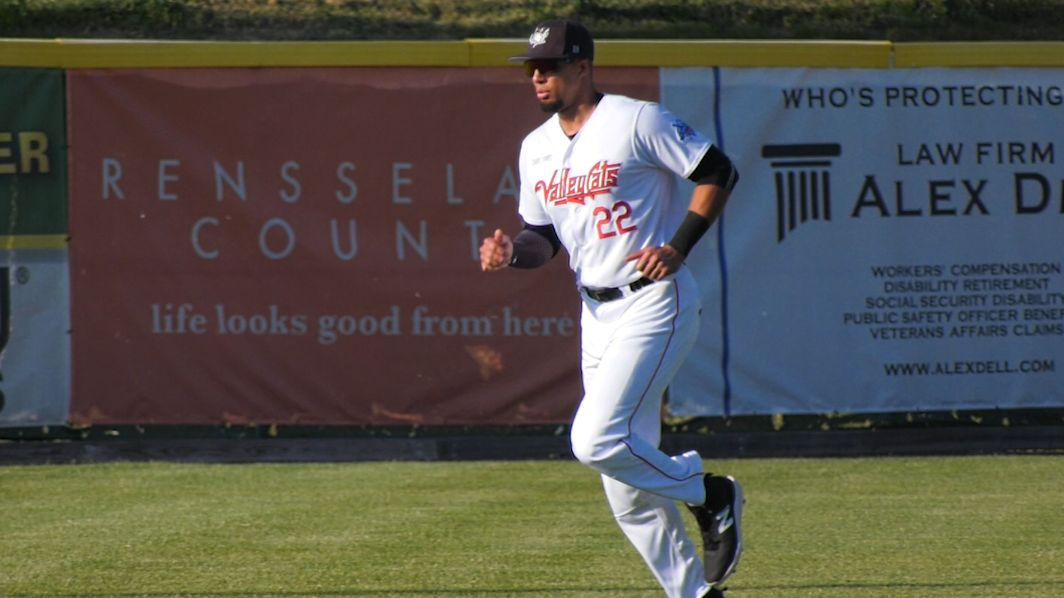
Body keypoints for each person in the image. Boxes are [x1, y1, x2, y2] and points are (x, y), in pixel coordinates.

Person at [479, 19, 743, 598]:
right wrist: (509, 256)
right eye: (531, 68)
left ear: (582, 66)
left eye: (548, 65)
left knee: (594, 439)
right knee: (622, 486)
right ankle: (694, 594)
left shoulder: (635, 119)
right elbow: (540, 239)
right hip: (594, 314)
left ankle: (709, 492)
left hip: (654, 302)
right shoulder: (536, 149)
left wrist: (678, 246)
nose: (537, 77)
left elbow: (717, 170)